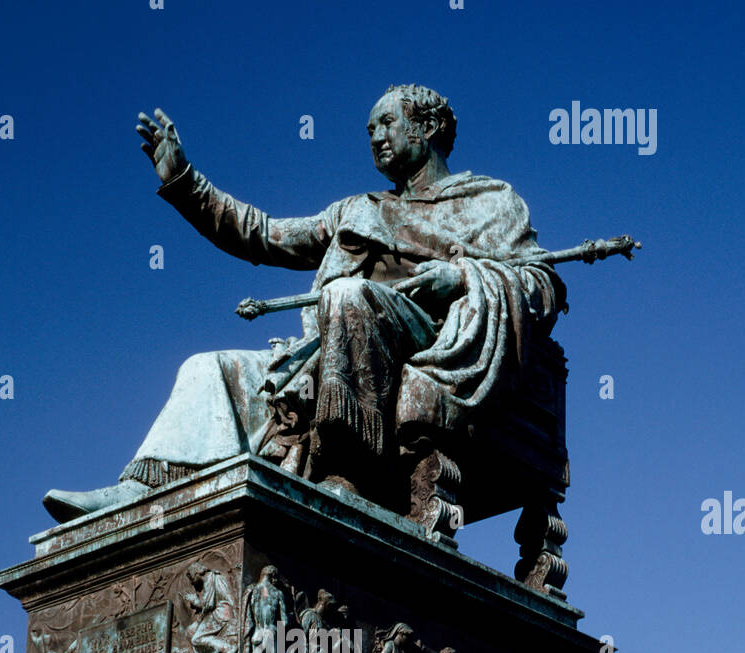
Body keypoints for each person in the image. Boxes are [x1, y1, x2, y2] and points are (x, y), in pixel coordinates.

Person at [44, 84, 562, 522]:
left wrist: (464, 276)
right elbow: (262, 234)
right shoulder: (357, 211)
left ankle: (348, 473)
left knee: (348, 294)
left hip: (433, 346)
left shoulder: (490, 202)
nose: (376, 138)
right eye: (369, 132)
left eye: (386, 124)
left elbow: (541, 285)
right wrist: (185, 183)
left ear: (425, 128)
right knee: (209, 368)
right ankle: (142, 493)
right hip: (333, 353)